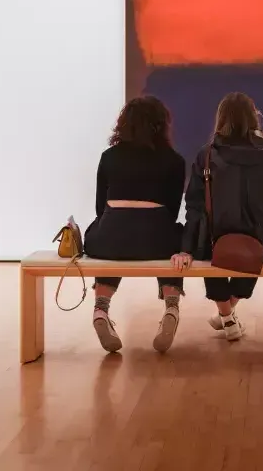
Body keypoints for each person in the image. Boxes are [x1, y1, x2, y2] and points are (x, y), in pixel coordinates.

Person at [172, 92, 263, 341]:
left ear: (221, 119)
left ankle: (226, 317)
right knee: (253, 251)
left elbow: (194, 205)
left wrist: (187, 249)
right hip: (259, 239)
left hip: (212, 238)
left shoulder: (207, 154)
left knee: (209, 247)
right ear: (253, 118)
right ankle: (228, 315)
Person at [83, 96, 187, 354]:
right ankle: (171, 307)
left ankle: (101, 309)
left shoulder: (109, 157)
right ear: (161, 124)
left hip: (111, 238)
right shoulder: (174, 160)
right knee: (175, 236)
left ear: (124, 124)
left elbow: (101, 206)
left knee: (110, 233)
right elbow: (172, 211)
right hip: (156, 239)